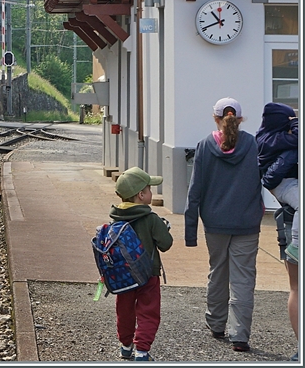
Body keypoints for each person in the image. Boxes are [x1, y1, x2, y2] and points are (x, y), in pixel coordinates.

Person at [184, 97, 263, 352]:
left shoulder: (205, 146)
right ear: (239, 120)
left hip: (215, 223)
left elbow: (195, 190)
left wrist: (190, 231)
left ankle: (217, 324)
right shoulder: (252, 144)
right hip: (247, 222)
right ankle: (240, 336)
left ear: (215, 118)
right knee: (243, 278)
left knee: (218, 272)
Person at [111, 167, 174, 361]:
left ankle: (126, 346)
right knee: (148, 312)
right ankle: (142, 351)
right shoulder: (151, 219)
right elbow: (166, 244)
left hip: (123, 277)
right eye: (149, 189)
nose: (151, 192)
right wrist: (164, 229)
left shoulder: (115, 219)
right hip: (148, 276)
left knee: (125, 311)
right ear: (141, 195)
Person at [256, 101, 299, 360]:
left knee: (296, 288)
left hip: (288, 217)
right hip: (293, 223)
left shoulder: (267, 137)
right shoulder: (276, 139)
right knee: (296, 288)